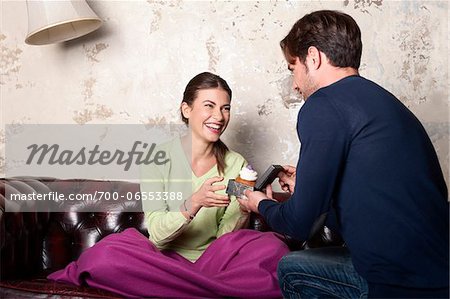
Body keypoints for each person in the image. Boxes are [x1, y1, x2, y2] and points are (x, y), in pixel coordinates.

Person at [239, 10, 449, 299]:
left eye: (293, 69)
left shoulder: (322, 105)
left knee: (290, 268)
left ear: (313, 58)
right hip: (436, 272)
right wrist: (307, 189)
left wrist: (259, 204)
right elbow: (374, 211)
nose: (296, 84)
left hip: (398, 282)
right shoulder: (385, 103)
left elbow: (299, 225)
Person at [48, 72, 289, 298]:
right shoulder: (156, 158)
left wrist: (243, 210)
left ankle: (194, 286)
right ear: (187, 109)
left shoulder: (237, 165)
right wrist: (194, 203)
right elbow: (159, 237)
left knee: (273, 248)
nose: (219, 116)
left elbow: (226, 240)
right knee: (105, 255)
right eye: (209, 106)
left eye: (225, 108)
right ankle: (208, 290)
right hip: (162, 262)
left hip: (214, 263)